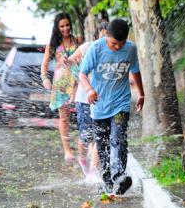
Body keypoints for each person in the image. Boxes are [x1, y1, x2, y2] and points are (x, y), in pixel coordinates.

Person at [78, 18, 145, 195]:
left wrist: (141, 94)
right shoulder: (96, 48)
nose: (117, 47)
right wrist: (89, 89)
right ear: (107, 35)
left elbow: (136, 71)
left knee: (119, 137)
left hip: (121, 103)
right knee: (103, 144)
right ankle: (107, 179)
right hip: (99, 106)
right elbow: (82, 74)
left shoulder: (130, 49)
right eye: (114, 43)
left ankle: (119, 176)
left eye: (121, 44)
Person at [67, 21, 109, 181]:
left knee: (100, 135)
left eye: (108, 35)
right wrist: (77, 78)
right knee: (85, 136)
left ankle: (92, 172)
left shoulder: (113, 51)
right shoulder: (87, 47)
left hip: (101, 100)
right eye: (103, 34)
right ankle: (82, 159)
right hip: (83, 99)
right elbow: (69, 61)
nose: (105, 38)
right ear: (97, 35)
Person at [41, 12, 79, 164]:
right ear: (57, 27)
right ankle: (67, 150)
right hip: (61, 85)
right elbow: (44, 65)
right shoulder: (53, 44)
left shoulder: (78, 40)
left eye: (67, 25)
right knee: (64, 118)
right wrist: (45, 79)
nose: (65, 28)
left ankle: (86, 146)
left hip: (78, 82)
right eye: (62, 26)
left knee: (85, 114)